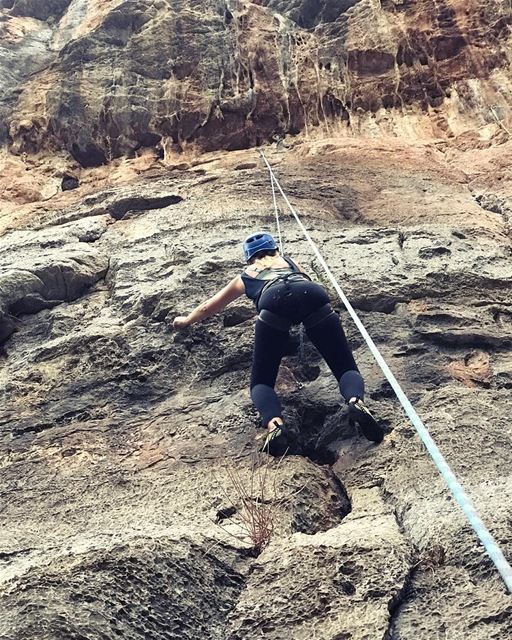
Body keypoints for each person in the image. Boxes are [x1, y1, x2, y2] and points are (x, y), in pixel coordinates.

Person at [173, 232, 385, 456]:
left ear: (249, 258)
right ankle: (355, 401)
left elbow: (210, 306)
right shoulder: (290, 261)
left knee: (262, 382)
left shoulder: (245, 276)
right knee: (344, 366)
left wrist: (186, 320)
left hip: (273, 302)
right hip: (310, 294)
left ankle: (275, 425)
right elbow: (302, 286)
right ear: (275, 249)